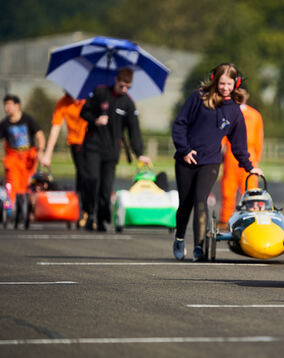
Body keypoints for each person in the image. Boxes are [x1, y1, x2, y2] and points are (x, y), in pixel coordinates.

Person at [172, 63, 262, 262]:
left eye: (229, 84)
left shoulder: (235, 111)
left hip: (210, 162)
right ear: (214, 80)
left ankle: (198, 247)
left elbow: (239, 145)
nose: (225, 88)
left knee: (200, 200)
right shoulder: (199, 97)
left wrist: (249, 166)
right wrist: (184, 150)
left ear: (236, 83)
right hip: (186, 160)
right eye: (222, 83)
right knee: (185, 204)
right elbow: (179, 124)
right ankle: (179, 238)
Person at [79, 67, 151, 232]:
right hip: (93, 146)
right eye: (122, 86)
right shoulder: (100, 93)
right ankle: (89, 213)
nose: (124, 89)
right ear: (116, 81)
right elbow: (83, 112)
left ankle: (102, 218)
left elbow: (134, 131)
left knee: (106, 187)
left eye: (128, 87)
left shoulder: (128, 103)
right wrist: (96, 119)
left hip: (111, 150)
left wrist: (139, 153)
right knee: (92, 180)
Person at [218, 88, 264, 229]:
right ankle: (225, 220)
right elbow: (222, 136)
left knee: (250, 190)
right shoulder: (230, 112)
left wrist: (256, 158)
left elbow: (258, 138)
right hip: (232, 155)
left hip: (248, 154)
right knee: (228, 189)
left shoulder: (254, 115)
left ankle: (250, 219)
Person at [40, 92, 88, 225]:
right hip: (75, 143)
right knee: (82, 174)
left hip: (91, 141)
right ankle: (81, 209)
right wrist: (48, 154)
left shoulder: (88, 99)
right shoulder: (62, 103)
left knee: (92, 176)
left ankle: (91, 208)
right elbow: (56, 128)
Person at [0, 94, 46, 210]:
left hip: (28, 158)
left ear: (17, 105)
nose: (7, 108)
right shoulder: (5, 124)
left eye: (9, 105)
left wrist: (40, 151)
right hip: (13, 158)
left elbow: (40, 135)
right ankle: (11, 209)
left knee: (29, 185)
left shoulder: (27, 119)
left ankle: (31, 209)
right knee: (12, 183)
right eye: (5, 105)